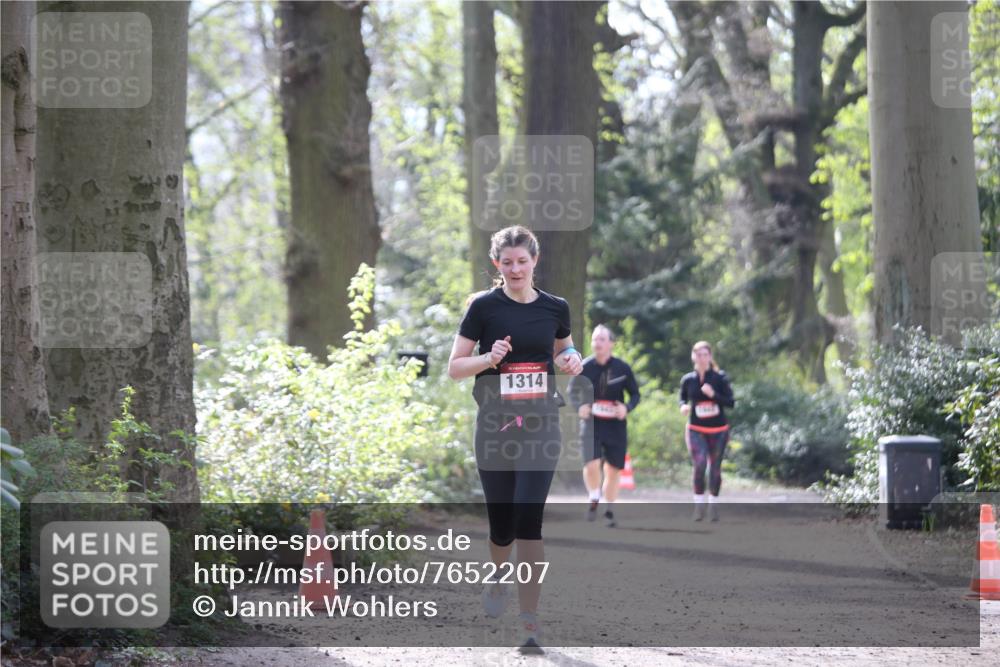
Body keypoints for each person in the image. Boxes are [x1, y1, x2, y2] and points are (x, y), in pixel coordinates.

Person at [448, 225, 583, 654]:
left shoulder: (555, 307)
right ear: (497, 265)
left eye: (522, 261)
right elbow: (455, 367)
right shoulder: (483, 309)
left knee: (529, 521)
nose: (515, 269)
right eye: (507, 262)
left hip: (541, 425)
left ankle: (529, 623)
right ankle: (498, 573)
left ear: (534, 261)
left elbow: (564, 350)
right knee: (502, 528)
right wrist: (489, 358)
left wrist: (572, 359)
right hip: (494, 428)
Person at [567, 325, 640, 527]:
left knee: (613, 470)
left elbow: (635, 394)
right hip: (591, 424)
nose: (597, 343)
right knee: (591, 464)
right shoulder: (585, 367)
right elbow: (572, 392)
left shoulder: (622, 368)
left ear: (611, 344)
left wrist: (627, 407)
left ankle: (609, 509)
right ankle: (593, 496)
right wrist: (579, 406)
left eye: (601, 339)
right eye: (594, 339)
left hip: (615, 426)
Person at [678, 341, 734, 522]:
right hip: (695, 429)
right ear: (693, 357)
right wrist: (683, 406)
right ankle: (699, 505)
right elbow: (682, 398)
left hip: (718, 430)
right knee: (700, 464)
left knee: (715, 469)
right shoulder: (688, 380)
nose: (701, 358)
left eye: (705, 354)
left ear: (710, 357)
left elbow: (730, 403)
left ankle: (713, 505)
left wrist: (713, 395)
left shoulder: (720, 378)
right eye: (698, 354)